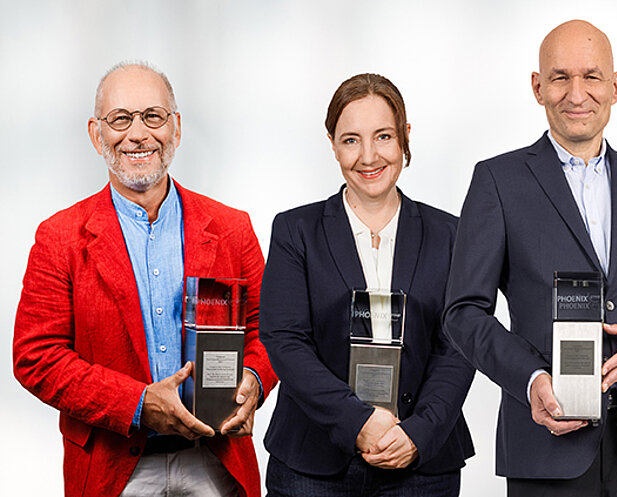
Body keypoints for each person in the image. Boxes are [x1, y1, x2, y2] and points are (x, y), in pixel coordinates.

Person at [443, 20, 617, 496]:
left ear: (615, 86)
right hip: (545, 442)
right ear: (537, 87)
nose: (577, 93)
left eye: (591, 76)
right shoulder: (498, 182)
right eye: (561, 77)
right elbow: (463, 314)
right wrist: (530, 379)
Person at [12, 61, 278, 497]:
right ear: (96, 134)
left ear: (175, 128)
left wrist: (254, 379)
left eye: (153, 117)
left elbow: (269, 330)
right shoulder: (59, 237)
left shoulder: (232, 228)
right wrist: (137, 405)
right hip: (113, 469)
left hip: (217, 461)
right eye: (120, 119)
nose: (138, 134)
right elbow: (35, 356)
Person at [259, 73, 475, 496]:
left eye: (383, 136)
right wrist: (357, 422)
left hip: (421, 461)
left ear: (404, 137)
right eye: (351, 140)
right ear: (333, 144)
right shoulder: (295, 230)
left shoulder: (450, 235)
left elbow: (459, 344)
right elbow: (285, 341)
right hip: (312, 464)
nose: (369, 155)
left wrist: (419, 432)